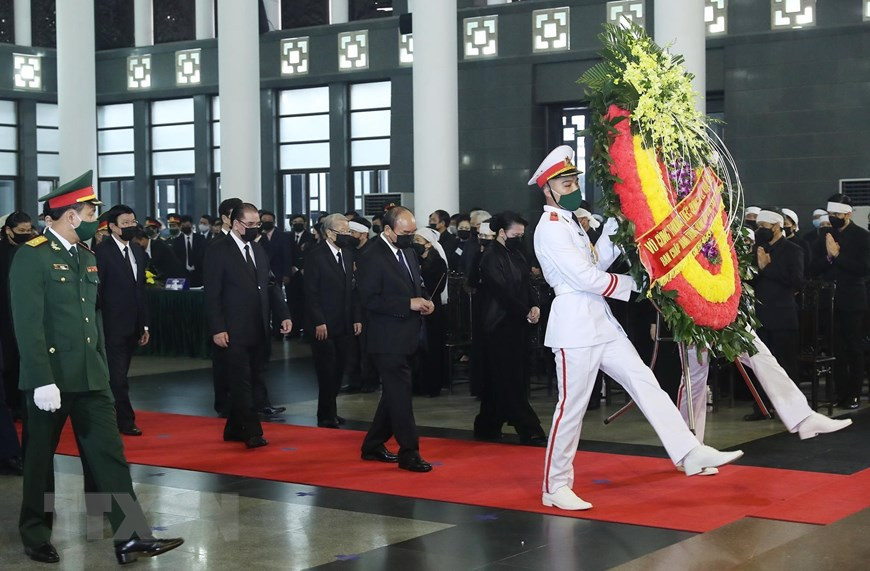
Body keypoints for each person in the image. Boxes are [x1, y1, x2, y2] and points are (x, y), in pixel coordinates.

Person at [530, 146, 744, 511]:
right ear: (548, 189)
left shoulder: (570, 225)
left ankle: (687, 451)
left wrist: (617, 223)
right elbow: (583, 277)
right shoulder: (550, 228)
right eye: (567, 184)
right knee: (573, 408)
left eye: (575, 182)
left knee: (645, 383)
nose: (575, 189)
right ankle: (555, 485)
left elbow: (596, 260)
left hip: (600, 320)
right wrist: (634, 286)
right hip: (574, 324)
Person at [9, 171, 182, 564]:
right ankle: (36, 533)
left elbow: (92, 319)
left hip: (90, 375)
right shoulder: (32, 255)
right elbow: (27, 323)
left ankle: (131, 536)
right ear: (71, 216)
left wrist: (101, 364)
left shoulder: (85, 256)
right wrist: (40, 380)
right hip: (50, 379)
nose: (94, 220)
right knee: (39, 460)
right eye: (90, 212)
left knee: (110, 455)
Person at [204, 203, 292, 448]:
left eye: (258, 225)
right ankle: (253, 431)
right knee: (241, 381)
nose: (255, 229)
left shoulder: (258, 248)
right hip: (233, 328)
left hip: (259, 326)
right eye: (250, 225)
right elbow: (212, 293)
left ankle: (233, 428)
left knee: (254, 377)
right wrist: (217, 328)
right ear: (235, 223)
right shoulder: (218, 249)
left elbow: (271, 283)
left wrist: (283, 313)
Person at [357, 206, 435, 472]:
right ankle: (409, 451)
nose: (410, 237)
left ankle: (373, 444)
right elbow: (369, 299)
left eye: (413, 233)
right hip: (386, 337)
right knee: (400, 394)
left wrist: (424, 300)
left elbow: (417, 284)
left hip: (409, 334)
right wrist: (407, 303)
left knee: (394, 393)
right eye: (405, 233)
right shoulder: (370, 255)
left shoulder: (409, 252)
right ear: (387, 230)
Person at [474, 211, 546, 445]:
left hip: (517, 323)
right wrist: (525, 310)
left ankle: (487, 424)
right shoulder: (490, 257)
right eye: (516, 234)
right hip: (498, 325)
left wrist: (534, 305)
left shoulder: (517, 253)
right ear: (502, 233)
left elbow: (525, 283)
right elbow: (501, 292)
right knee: (509, 377)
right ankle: (528, 426)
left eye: (522, 234)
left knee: (504, 377)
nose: (520, 238)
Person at [809, 194, 870, 409]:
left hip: (852, 299)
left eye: (837, 214)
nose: (833, 218)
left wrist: (837, 256)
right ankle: (840, 391)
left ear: (847, 213)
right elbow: (812, 268)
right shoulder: (825, 235)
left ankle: (853, 392)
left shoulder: (862, 237)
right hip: (829, 299)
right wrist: (827, 257)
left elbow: (862, 269)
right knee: (835, 349)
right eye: (831, 214)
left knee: (852, 346)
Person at [94, 205, 150, 436]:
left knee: (120, 374)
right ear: (113, 227)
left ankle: (110, 413)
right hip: (112, 324)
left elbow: (141, 290)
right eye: (125, 223)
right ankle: (125, 421)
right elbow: (98, 291)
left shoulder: (137, 251)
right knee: (117, 377)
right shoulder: (101, 252)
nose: (130, 226)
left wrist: (144, 324)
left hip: (134, 324)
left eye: (132, 221)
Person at [745, 209, 804, 420]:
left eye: (764, 227)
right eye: (758, 227)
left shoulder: (792, 250)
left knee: (785, 365)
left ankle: (791, 409)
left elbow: (796, 280)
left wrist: (766, 268)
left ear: (777, 227)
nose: (760, 231)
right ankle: (761, 407)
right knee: (761, 366)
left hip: (783, 316)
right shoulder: (757, 250)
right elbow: (749, 280)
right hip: (760, 315)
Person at [305, 214, 362, 427]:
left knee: (339, 369)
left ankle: (331, 411)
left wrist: (356, 317)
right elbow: (311, 293)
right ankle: (325, 414)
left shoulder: (348, 254)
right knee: (326, 370)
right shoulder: (316, 256)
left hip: (344, 322)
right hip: (324, 324)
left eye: (348, 231)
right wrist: (319, 321)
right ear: (329, 233)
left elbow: (353, 288)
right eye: (343, 231)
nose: (347, 235)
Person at [1, 211, 33, 417]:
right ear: (8, 231)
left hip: (27, 314)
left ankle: (24, 404)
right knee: (8, 361)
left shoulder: (31, 250)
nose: (26, 234)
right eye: (21, 231)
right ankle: (10, 405)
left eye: (28, 230)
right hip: (4, 315)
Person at [412, 228, 449, 397]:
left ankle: (432, 385)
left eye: (419, 240)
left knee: (431, 347)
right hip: (415, 308)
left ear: (428, 244)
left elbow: (437, 287)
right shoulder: (413, 259)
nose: (416, 244)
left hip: (432, 308)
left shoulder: (438, 263)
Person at [288, 213, 315, 337]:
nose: (297, 224)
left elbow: (311, 255)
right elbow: (286, 254)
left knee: (306, 302)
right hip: (292, 274)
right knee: (292, 302)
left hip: (306, 274)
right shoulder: (287, 237)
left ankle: (306, 329)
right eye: (294, 222)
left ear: (304, 223)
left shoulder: (311, 237)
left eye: (299, 221)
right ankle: (294, 329)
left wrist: (303, 267)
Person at [171, 214, 206, 287]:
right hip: (183, 274)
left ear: (191, 224)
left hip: (198, 274)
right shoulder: (177, 241)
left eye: (187, 224)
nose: (185, 226)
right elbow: (175, 259)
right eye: (182, 225)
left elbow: (204, 256)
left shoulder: (200, 239)